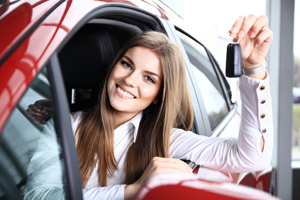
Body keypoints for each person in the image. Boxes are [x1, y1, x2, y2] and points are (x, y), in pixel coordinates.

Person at [25, 15, 273, 200]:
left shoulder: (166, 139)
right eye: (127, 64)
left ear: (158, 96)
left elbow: (252, 157)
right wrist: (132, 190)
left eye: (149, 78)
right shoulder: (65, 125)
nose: (129, 80)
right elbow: (37, 196)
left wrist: (253, 70)